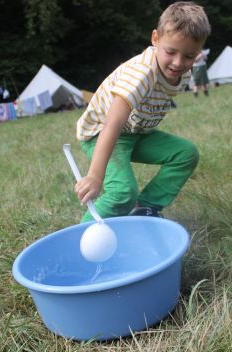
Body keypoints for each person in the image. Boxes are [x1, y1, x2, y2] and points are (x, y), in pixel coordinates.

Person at [74, 2, 209, 220]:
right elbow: (112, 124)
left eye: (189, 56)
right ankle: (83, 237)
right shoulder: (141, 73)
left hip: (135, 133)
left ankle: (145, 208)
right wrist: (95, 176)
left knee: (185, 154)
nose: (178, 63)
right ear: (155, 39)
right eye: (171, 52)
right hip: (102, 132)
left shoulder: (184, 72)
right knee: (122, 192)